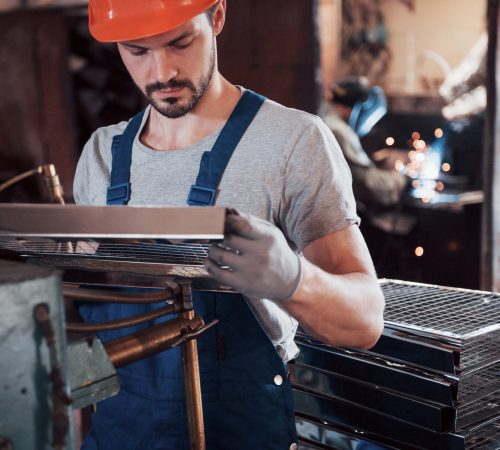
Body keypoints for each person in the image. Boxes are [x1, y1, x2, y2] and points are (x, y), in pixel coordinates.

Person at [73, 1, 385, 449]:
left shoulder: (292, 142)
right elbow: (93, 338)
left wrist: (294, 281)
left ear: (217, 16)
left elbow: (365, 321)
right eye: (137, 50)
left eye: (181, 42)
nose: (162, 72)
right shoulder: (101, 156)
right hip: (120, 433)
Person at [323, 77, 408, 209]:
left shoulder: (324, 120)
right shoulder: (339, 131)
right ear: (356, 107)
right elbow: (365, 182)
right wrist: (402, 180)